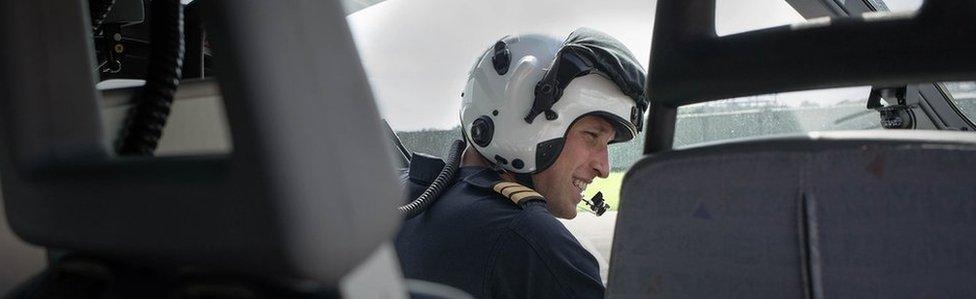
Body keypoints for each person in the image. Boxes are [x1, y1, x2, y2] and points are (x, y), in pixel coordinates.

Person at [396, 28, 647, 298]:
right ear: (525, 119)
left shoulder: (396, 196)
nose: (604, 168)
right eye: (591, 136)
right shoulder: (531, 239)